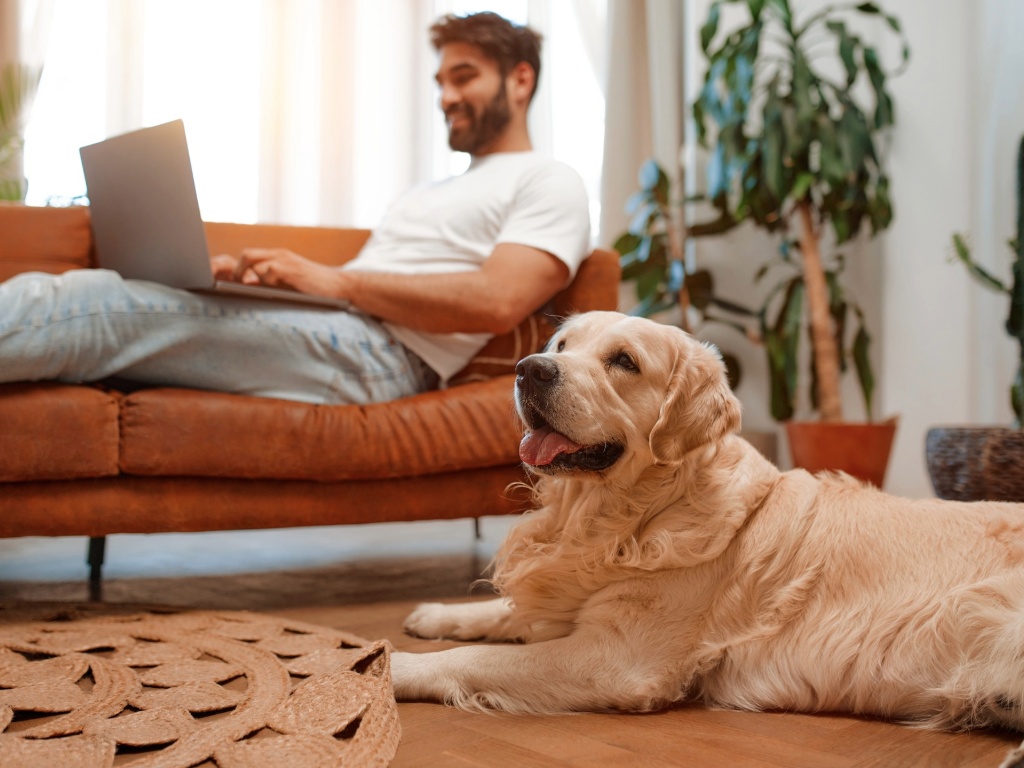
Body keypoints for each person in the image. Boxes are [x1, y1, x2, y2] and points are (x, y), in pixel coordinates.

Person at [0, 12, 591, 405]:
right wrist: (256, 286)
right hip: (341, 329)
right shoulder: (426, 193)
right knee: (114, 296)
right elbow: (358, 288)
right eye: (440, 81)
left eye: (464, 77)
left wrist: (332, 281)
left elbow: (497, 302)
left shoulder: (550, 180)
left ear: (519, 81)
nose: (446, 97)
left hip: (383, 357)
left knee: (93, 303)